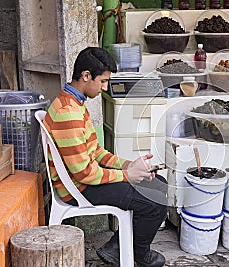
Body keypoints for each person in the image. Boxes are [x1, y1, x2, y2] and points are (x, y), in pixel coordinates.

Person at [43, 47, 167, 267]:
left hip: (85, 180)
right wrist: (127, 175)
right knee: (155, 200)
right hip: (79, 188)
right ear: (86, 76)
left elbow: (97, 152)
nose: (104, 88)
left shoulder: (75, 104)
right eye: (102, 81)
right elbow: (85, 174)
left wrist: (131, 165)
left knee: (159, 185)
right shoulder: (68, 115)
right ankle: (138, 254)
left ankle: (116, 248)